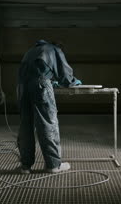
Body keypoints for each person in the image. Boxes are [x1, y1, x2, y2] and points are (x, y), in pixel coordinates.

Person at [17, 40, 82, 174]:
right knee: (47, 124)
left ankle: (25, 166)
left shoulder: (30, 51)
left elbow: (33, 72)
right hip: (40, 86)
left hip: (22, 88)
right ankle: (53, 165)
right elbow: (65, 76)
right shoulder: (54, 50)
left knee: (26, 125)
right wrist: (74, 82)